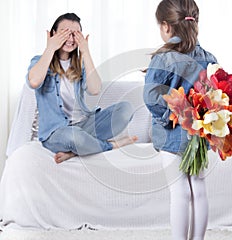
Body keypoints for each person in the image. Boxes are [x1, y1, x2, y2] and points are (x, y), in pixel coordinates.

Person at [143, 1, 217, 239]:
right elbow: (216, 95)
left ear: (166, 26)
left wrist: (170, 116)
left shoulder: (163, 58)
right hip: (199, 135)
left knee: (179, 191)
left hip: (171, 136)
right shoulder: (209, 57)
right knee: (199, 189)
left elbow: (151, 97)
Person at [27, 13, 137, 164]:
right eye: (65, 32)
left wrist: (86, 52)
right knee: (74, 137)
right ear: (53, 34)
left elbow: (95, 89)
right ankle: (109, 146)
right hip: (56, 133)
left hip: (83, 126)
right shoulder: (39, 61)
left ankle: (74, 152)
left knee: (126, 109)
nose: (71, 39)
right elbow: (34, 81)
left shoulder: (79, 66)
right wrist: (50, 48)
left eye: (75, 34)